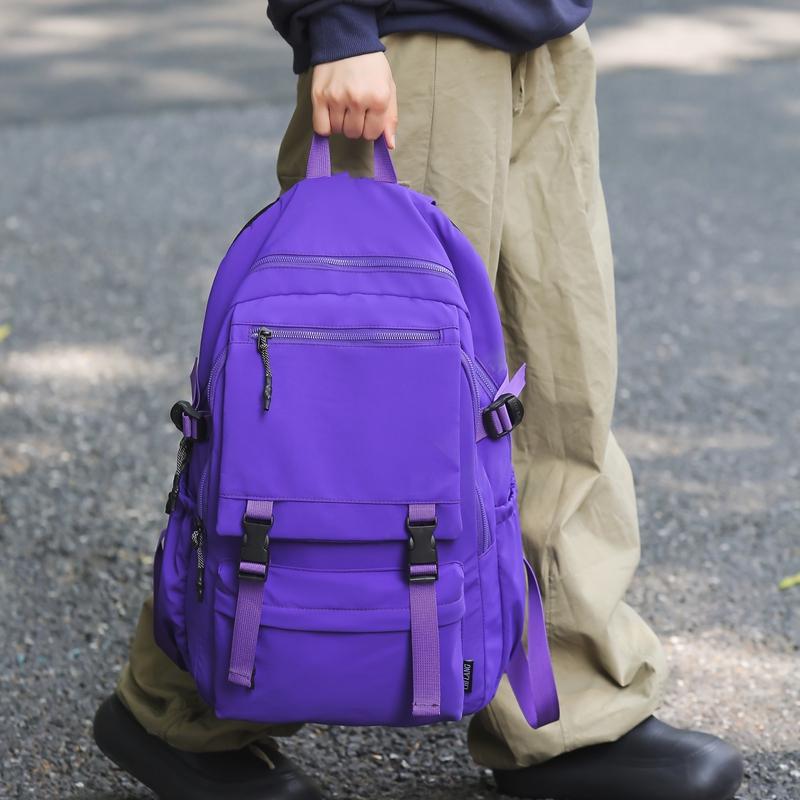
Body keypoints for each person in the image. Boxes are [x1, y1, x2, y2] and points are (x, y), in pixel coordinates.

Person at [93, 2, 746, 799]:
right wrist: (335, 24)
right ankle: (181, 710)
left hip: (542, 32)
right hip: (412, 40)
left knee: (555, 395)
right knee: (353, 408)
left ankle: (562, 711)